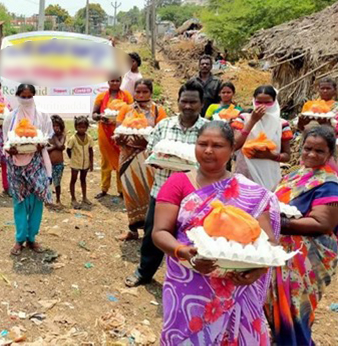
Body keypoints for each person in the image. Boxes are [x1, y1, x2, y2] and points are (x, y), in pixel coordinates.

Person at [152, 121, 280, 346]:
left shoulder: (250, 192)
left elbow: (268, 241)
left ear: (232, 149)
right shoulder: (178, 182)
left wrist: (257, 270)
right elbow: (160, 232)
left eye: (217, 145)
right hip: (188, 283)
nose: (208, 150)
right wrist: (184, 252)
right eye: (202, 144)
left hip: (236, 285)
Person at [125, 79, 208, 287]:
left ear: (201, 103)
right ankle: (144, 272)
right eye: (184, 101)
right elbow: (151, 154)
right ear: (178, 101)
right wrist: (159, 162)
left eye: (193, 102)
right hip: (162, 192)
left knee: (194, 238)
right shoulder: (164, 125)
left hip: (195, 196)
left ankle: (191, 277)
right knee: (154, 234)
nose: (187, 106)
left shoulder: (208, 129)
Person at [266, 125, 338, 346]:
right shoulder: (296, 175)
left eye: (319, 151)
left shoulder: (329, 184)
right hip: (281, 252)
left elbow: (322, 223)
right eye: (307, 149)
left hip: (305, 260)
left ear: (330, 154)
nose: (311, 155)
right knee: (275, 310)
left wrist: (278, 223)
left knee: (296, 313)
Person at [115, 79, 167, 241]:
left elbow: (163, 136)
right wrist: (120, 140)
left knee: (149, 193)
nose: (141, 95)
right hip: (127, 158)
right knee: (130, 193)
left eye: (145, 91)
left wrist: (146, 143)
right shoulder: (125, 109)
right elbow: (119, 130)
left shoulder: (158, 111)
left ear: (151, 92)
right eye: (138, 91)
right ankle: (133, 230)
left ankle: (151, 231)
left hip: (148, 159)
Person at [4, 84, 53, 256]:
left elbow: (46, 139)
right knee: (19, 203)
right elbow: (6, 142)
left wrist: (40, 145)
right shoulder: (10, 118)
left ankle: (31, 238)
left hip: (37, 164)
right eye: (22, 96)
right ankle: (19, 239)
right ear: (17, 96)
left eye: (29, 96)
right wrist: (10, 150)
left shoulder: (42, 117)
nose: (26, 99)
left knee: (36, 202)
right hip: (16, 166)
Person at [232, 85, 293, 191]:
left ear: (275, 103)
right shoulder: (243, 119)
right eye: (259, 102)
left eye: (267, 102)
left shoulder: (281, 124)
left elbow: (287, 155)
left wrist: (271, 156)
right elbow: (235, 145)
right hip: (245, 174)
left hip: (269, 177)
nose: (263, 106)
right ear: (253, 101)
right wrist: (252, 121)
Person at [92, 75, 134, 199]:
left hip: (121, 133)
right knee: (105, 161)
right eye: (112, 80)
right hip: (104, 133)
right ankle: (104, 189)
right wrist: (100, 117)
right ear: (108, 81)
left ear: (121, 81)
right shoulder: (101, 97)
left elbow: (132, 112)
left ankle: (121, 190)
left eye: (117, 80)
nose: (114, 83)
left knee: (121, 160)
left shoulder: (127, 96)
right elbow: (94, 114)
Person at [67, 116, 94, 209]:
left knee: (83, 180)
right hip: (75, 163)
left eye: (84, 127)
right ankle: (73, 198)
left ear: (87, 127)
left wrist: (91, 163)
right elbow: (68, 149)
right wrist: (72, 158)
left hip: (85, 163)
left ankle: (84, 197)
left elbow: (90, 151)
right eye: (79, 127)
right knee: (73, 180)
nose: (81, 129)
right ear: (76, 127)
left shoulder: (89, 138)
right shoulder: (73, 138)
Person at [48, 115, 66, 209]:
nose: (56, 128)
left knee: (57, 183)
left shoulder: (62, 136)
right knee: (48, 183)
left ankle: (58, 199)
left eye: (58, 126)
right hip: (49, 164)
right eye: (54, 126)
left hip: (59, 164)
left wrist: (55, 140)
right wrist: (55, 146)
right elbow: (46, 149)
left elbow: (61, 145)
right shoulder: (48, 137)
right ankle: (48, 200)